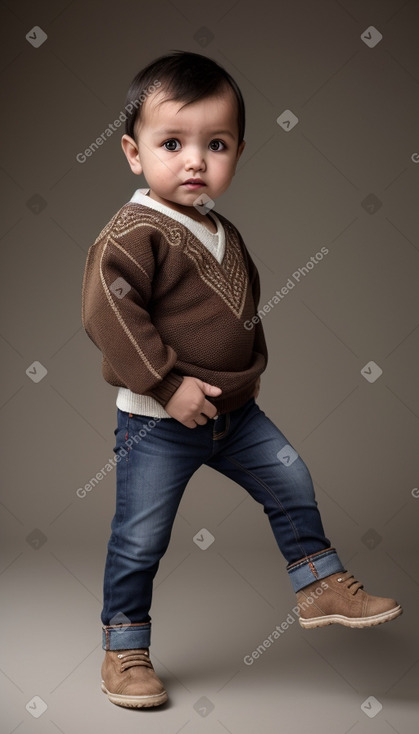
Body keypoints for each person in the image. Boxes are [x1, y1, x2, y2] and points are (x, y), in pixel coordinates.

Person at [81, 50, 402, 709]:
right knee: (141, 535)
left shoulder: (221, 229)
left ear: (238, 152)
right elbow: (109, 312)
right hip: (158, 420)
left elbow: (235, 314)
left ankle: (317, 584)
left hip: (234, 414)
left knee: (289, 478)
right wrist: (169, 386)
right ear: (132, 153)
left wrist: (244, 379)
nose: (195, 160)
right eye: (172, 142)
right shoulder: (132, 232)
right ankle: (124, 648)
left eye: (216, 144)